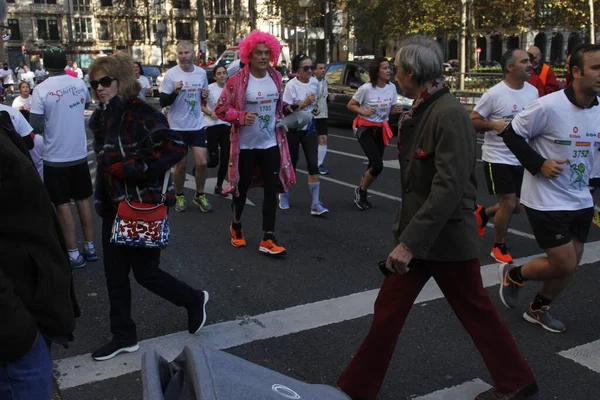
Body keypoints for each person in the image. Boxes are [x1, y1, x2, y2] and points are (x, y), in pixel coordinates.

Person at [337, 35, 538, 400]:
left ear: (412, 73)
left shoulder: (449, 114)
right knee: (391, 312)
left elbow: (449, 187)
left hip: (441, 238)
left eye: (397, 68)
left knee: (472, 310)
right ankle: (355, 389)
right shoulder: (424, 107)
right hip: (425, 235)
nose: (394, 73)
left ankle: (516, 380)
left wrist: (409, 243)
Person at [87, 53, 209, 362]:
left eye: (105, 82)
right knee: (114, 275)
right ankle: (123, 336)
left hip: (141, 205)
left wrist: (130, 167)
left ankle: (194, 300)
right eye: (94, 83)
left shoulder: (140, 113)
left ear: (121, 81)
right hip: (114, 208)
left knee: (146, 274)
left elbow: (175, 148)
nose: (99, 88)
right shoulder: (103, 117)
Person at [0, 0, 79, 392]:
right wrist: (18, 332)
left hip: (59, 158)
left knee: (65, 204)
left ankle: (80, 250)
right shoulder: (71, 85)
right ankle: (84, 249)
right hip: (15, 332)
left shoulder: (33, 97)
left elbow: (34, 131)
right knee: (71, 204)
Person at [498, 43, 600, 333]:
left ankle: (539, 308)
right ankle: (515, 273)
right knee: (564, 263)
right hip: (546, 197)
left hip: (580, 197)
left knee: (572, 262)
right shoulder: (548, 106)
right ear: (576, 72)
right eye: (596, 68)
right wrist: (539, 164)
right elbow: (511, 134)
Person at [215, 30, 295, 255]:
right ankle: (236, 225)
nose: (262, 56)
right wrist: (240, 116)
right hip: (245, 146)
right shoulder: (237, 80)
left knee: (272, 190)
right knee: (241, 190)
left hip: (271, 143)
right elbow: (220, 109)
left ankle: (268, 237)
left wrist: (292, 112)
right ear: (248, 54)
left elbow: (279, 106)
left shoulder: (276, 77)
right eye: (258, 52)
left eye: (266, 52)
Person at [30, 47, 97, 269]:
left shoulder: (40, 89)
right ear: (65, 62)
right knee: (83, 200)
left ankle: (73, 253)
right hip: (78, 153)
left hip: (55, 156)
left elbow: (36, 127)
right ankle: (90, 247)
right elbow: (86, 105)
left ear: (45, 65)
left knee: (61, 204)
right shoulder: (78, 83)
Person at [470, 49, 538, 263]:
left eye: (530, 61)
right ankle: (498, 246)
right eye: (525, 61)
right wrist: (493, 124)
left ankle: (483, 214)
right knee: (508, 203)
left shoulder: (533, 92)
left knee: (519, 205)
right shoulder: (494, 94)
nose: (530, 65)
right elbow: (472, 120)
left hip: (522, 158)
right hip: (497, 157)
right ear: (510, 67)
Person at [160, 40, 212, 213]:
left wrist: (205, 94)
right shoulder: (171, 75)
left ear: (193, 54)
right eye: (180, 53)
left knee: (202, 162)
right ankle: (180, 195)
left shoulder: (201, 73)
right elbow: (162, 101)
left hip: (196, 125)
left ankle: (200, 195)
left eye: (187, 53)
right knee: (180, 166)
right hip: (177, 127)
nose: (184, 57)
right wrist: (174, 93)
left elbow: (203, 96)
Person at [347, 57, 403, 210]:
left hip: (381, 129)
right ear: (377, 71)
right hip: (364, 128)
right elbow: (351, 105)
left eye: (389, 67)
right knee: (378, 165)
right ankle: (362, 191)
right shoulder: (366, 88)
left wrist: (394, 110)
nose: (388, 71)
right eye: (385, 68)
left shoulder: (391, 87)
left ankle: (361, 190)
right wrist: (363, 111)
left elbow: (389, 110)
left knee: (374, 165)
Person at [280, 54, 329, 216]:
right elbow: (286, 109)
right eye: (305, 68)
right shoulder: (291, 86)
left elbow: (313, 105)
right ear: (297, 70)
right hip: (293, 130)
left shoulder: (314, 83)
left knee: (313, 164)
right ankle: (284, 193)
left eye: (311, 67)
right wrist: (304, 104)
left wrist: (313, 109)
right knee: (291, 164)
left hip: (309, 129)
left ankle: (315, 203)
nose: (309, 71)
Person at [202, 64, 230, 195]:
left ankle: (219, 185)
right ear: (214, 76)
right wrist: (210, 112)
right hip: (212, 125)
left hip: (227, 126)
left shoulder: (231, 89)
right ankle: (200, 165)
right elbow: (201, 105)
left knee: (226, 159)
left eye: (224, 73)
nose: (222, 75)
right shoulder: (209, 89)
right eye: (219, 73)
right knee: (214, 161)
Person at [313, 60, 331, 175]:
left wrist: (329, 97)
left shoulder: (326, 81)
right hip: (310, 115)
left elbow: (324, 96)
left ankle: (319, 164)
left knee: (323, 138)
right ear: (314, 70)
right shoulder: (310, 82)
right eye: (320, 68)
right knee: (306, 141)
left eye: (324, 68)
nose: (323, 70)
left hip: (323, 114)